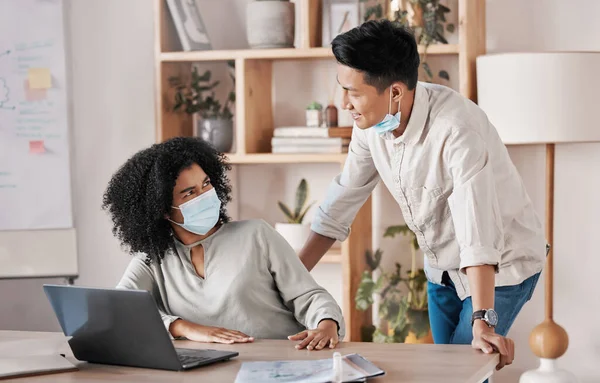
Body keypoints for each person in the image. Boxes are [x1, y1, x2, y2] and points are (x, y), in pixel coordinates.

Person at [298, 19, 545, 370]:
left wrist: (484, 319)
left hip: (502, 265)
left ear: (394, 92)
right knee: (444, 371)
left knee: (465, 367)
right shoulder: (370, 125)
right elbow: (341, 202)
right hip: (441, 266)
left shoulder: (457, 131)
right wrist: (289, 278)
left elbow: (479, 232)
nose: (344, 104)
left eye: (353, 92)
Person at [103, 137, 344, 351]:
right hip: (207, 372)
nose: (205, 195)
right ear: (163, 210)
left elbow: (309, 296)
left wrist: (327, 324)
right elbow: (120, 311)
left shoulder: (256, 235)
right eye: (189, 193)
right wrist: (183, 327)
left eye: (206, 184)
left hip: (279, 362)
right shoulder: (152, 259)